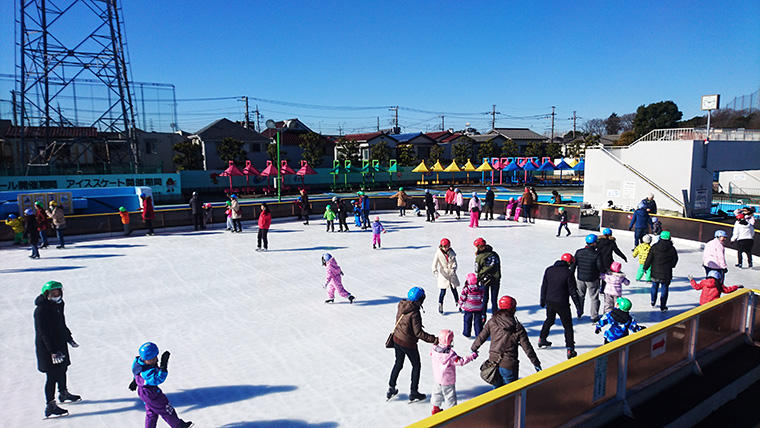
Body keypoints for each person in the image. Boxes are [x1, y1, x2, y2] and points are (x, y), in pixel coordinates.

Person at [471, 296, 542, 387]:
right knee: (510, 394)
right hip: (509, 365)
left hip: (493, 362)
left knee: (496, 395)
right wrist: (536, 363)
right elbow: (527, 347)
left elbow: (482, 336)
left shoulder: (492, 321)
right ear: (512, 308)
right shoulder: (517, 327)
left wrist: (474, 348)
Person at [34, 281, 81, 418]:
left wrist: (69, 338)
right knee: (52, 375)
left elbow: (61, 323)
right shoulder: (41, 310)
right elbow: (43, 333)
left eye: (58, 292)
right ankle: (50, 405)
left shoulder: (59, 304)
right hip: (47, 348)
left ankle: (63, 392)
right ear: (46, 294)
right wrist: (52, 351)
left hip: (60, 344)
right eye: (53, 293)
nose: (56, 295)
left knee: (63, 369)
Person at [387, 287, 438, 402]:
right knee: (416, 365)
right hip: (408, 343)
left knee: (398, 363)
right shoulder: (414, 313)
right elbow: (418, 333)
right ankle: (414, 392)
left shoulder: (401, 305)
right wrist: (434, 339)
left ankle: (391, 387)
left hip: (397, 338)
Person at [129, 342, 193, 428]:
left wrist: (135, 381)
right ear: (148, 359)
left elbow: (136, 371)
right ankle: (179, 426)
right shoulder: (146, 373)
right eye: (153, 358)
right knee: (166, 409)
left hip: (144, 392)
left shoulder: (138, 362)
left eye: (156, 357)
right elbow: (158, 379)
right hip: (151, 393)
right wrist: (163, 366)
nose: (156, 360)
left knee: (151, 413)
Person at [538, 253, 582, 359]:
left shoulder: (549, 270)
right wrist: (578, 306)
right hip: (562, 303)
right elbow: (573, 291)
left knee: (549, 320)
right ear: (569, 262)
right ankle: (570, 348)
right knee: (567, 326)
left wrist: (542, 300)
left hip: (550, 301)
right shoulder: (568, 273)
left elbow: (544, 286)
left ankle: (542, 339)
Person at [429, 329, 477, 415]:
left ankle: (435, 408)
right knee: (450, 396)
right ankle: (452, 413)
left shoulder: (434, 349)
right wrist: (472, 356)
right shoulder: (450, 354)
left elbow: (431, 354)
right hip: (448, 380)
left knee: (437, 393)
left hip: (437, 378)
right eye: (451, 340)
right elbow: (461, 361)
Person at [643, 231, 679, 312]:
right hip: (666, 273)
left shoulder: (654, 247)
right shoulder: (672, 249)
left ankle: (653, 301)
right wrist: (671, 265)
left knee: (654, 286)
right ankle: (663, 306)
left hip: (655, 272)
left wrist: (645, 267)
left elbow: (649, 258)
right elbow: (675, 259)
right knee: (664, 288)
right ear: (669, 238)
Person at [573, 234, 604, 322]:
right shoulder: (597, 254)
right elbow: (600, 267)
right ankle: (594, 316)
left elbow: (574, 265)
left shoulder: (579, 252)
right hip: (592, 279)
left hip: (580, 278)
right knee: (594, 297)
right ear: (594, 243)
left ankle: (579, 312)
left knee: (580, 295)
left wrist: (570, 275)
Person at [474, 238, 501, 320]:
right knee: (494, 300)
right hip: (495, 280)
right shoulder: (495, 254)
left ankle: (483, 316)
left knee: (484, 299)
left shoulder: (479, 257)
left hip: (484, 280)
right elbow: (498, 266)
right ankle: (495, 317)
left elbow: (476, 269)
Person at [432, 238, 460, 314]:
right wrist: (436, 273)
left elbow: (454, 262)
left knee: (454, 289)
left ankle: (458, 303)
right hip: (443, 274)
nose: (446, 248)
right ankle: (440, 304)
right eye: (444, 246)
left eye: (447, 246)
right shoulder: (438, 253)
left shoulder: (452, 252)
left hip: (451, 273)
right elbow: (434, 264)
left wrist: (454, 268)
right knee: (443, 291)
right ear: (441, 246)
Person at [597, 228, 627, 292]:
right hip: (608, 261)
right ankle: (602, 289)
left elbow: (594, 248)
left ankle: (597, 288)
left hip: (599, 260)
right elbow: (617, 251)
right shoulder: (612, 242)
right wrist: (623, 257)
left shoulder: (599, 241)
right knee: (605, 275)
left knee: (598, 274)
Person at [458, 273, 485, 337]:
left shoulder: (466, 289)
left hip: (469, 307)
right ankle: (479, 333)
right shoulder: (480, 288)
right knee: (478, 321)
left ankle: (466, 333)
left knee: (467, 320)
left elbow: (463, 297)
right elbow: (482, 297)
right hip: (478, 307)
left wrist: (460, 304)